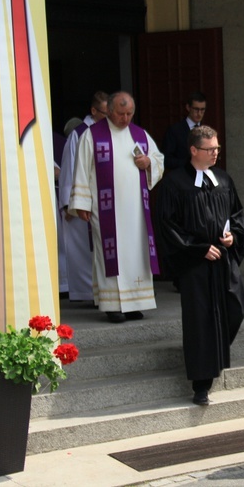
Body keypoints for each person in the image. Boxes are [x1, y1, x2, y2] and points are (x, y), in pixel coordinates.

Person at [157, 126, 244, 406]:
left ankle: (212, 354)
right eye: (210, 149)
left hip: (223, 258)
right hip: (195, 265)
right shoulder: (174, 184)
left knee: (236, 308)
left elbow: (236, 213)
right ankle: (201, 385)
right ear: (194, 150)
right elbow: (167, 226)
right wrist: (197, 249)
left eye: (217, 148)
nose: (216, 153)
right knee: (200, 322)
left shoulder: (222, 178)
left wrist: (233, 237)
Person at [69, 91, 165, 323]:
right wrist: (81, 201)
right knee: (109, 253)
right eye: (121, 113)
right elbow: (81, 168)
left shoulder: (140, 135)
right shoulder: (92, 136)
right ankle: (113, 305)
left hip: (136, 211)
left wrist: (148, 162)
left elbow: (158, 159)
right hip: (106, 210)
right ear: (110, 111)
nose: (125, 118)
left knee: (136, 252)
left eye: (129, 113)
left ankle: (135, 303)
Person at [59, 91, 109, 302]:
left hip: (105, 201)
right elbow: (70, 169)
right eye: (106, 113)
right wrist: (69, 202)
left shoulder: (112, 132)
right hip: (82, 202)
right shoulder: (79, 134)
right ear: (93, 111)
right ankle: (87, 294)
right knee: (84, 250)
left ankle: (104, 294)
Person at [162, 91, 207, 172]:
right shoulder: (175, 130)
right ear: (188, 107)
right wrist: (188, 164)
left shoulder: (207, 130)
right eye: (196, 109)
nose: (199, 113)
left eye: (202, 110)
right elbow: (166, 159)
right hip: (182, 177)